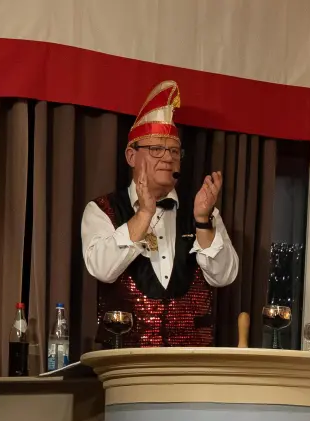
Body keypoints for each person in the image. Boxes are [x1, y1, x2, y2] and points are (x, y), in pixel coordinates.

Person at [80, 80, 237, 348]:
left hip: (191, 364)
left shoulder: (203, 210)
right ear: (131, 156)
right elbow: (102, 269)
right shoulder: (101, 210)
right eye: (156, 149)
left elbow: (224, 276)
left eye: (174, 151)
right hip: (125, 363)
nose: (168, 158)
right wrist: (143, 214)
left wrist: (202, 221)